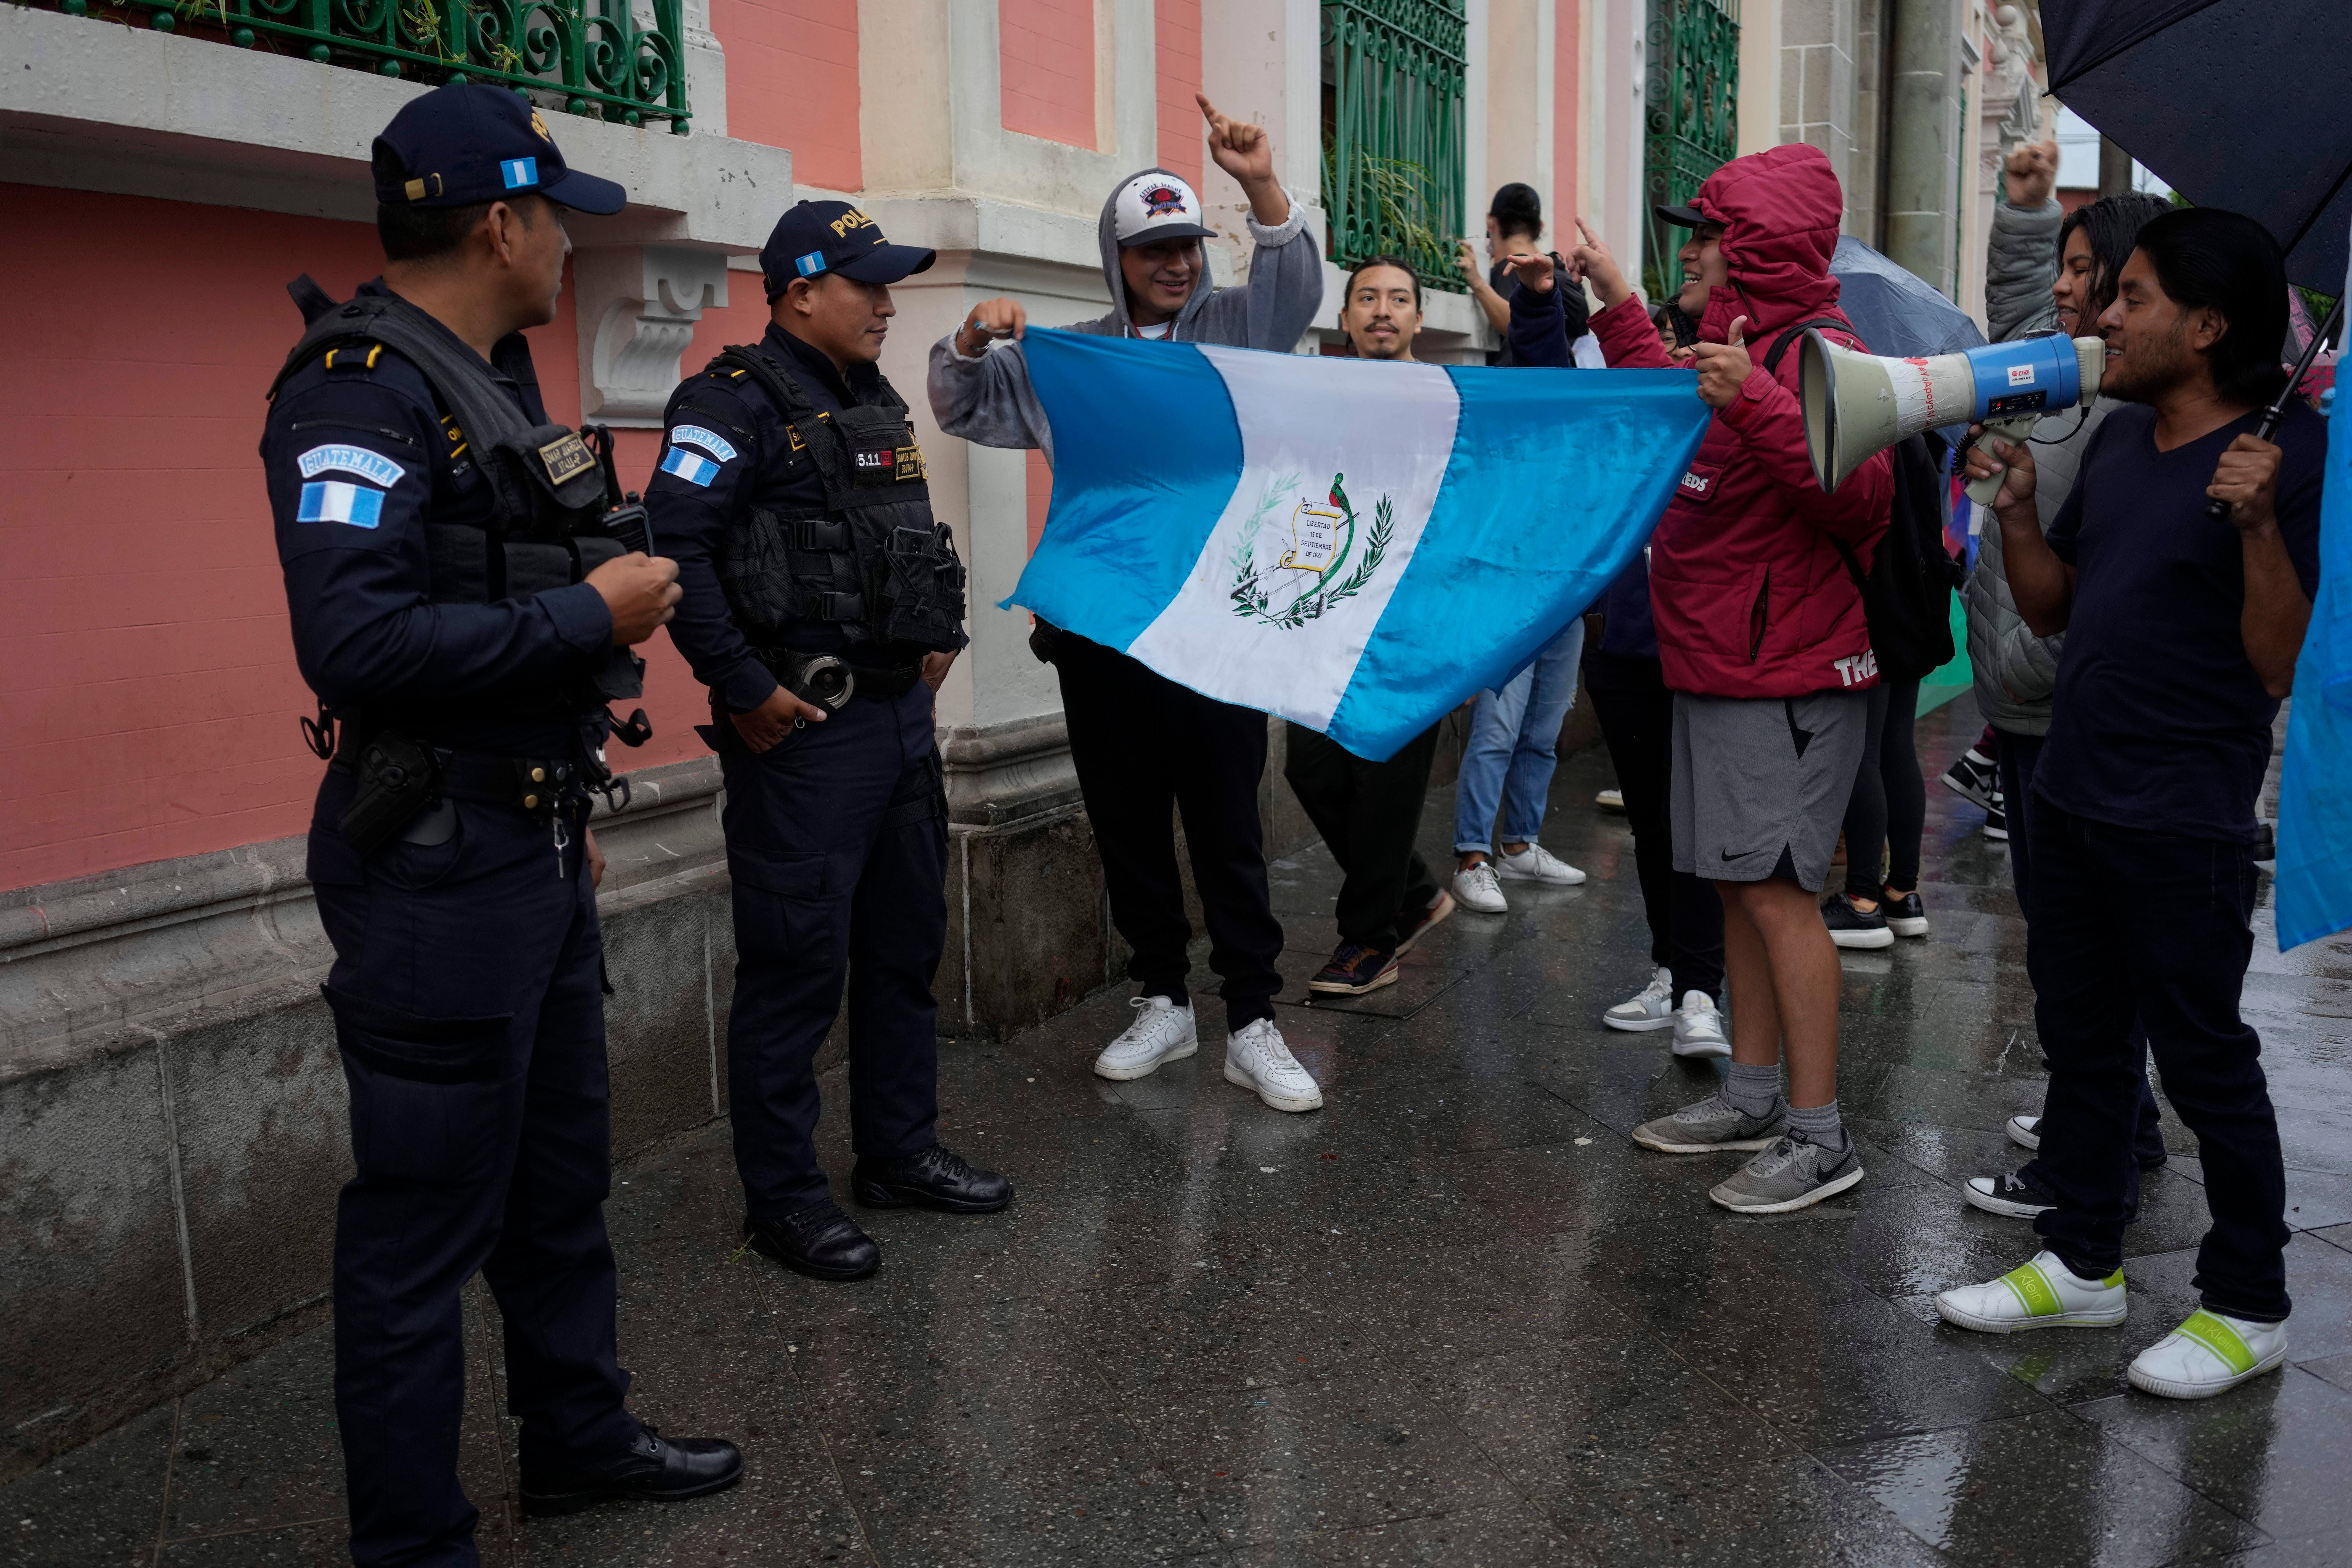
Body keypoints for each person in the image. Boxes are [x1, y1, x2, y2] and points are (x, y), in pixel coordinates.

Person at [262, 84, 740, 1564]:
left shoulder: (489, 377)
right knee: (417, 1238)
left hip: (525, 844)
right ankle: (415, 1544)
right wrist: (587, 613)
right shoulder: (357, 389)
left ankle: (578, 1439)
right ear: (497, 222)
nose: (565, 246)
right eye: (556, 219)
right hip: (432, 875)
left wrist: (559, 788)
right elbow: (354, 645)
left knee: (555, 1186)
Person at [1934, 208, 2320, 1400]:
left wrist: (2257, 523)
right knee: (2083, 1041)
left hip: (2182, 815)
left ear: (2205, 327)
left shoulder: (2288, 457)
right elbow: (2053, 611)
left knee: (2203, 1065)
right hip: (2073, 788)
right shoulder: (2114, 443)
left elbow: (2279, 663)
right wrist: (2009, 514)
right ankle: (2082, 1262)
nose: (2105, 315)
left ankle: (2248, 1303)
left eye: (2133, 297)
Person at [927, 96, 1325, 1111]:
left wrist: (1261, 185)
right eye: (1155, 250)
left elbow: (1293, 288)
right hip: (1102, 630)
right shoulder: (1072, 357)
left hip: (1217, 626)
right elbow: (963, 403)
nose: (1178, 265)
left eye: (1186, 246)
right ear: (1117, 257)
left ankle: (1252, 1019)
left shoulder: (1238, 329)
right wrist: (974, 334)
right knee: (1129, 823)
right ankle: (1162, 999)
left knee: (1227, 825)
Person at [1523, 144, 1894, 1212]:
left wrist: (1757, 407)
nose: (1693, 247)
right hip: (1725, 670)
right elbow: (1668, 400)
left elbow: (1862, 494)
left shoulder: (1821, 350)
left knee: (1780, 899)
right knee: (1741, 888)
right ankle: (1755, 1095)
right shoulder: (1749, 341)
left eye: (1709, 231)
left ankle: (1821, 1139)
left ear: (1758, 246)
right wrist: (1617, 302)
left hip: (1781, 681)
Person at [644, 200, 1006, 1284]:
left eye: (890, 286)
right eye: (868, 285)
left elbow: (900, 543)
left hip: (896, 724)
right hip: (802, 736)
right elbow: (675, 545)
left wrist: (935, 647)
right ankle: (784, 1202)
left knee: (902, 954)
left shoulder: (874, 397)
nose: (888, 305)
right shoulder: (727, 404)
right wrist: (742, 685)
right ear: (801, 290)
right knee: (794, 975)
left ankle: (897, 1154)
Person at [1959, 166, 2178, 1219]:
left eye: (2090, 275)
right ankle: (2115, 1120)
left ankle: (2080, 1163)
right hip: (2030, 704)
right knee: (2073, 953)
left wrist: (2033, 666)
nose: (2062, 291)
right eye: (2066, 268)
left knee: (2079, 963)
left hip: (2059, 707)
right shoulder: (2066, 381)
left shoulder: (2117, 412)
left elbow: (2086, 584)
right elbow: (2014, 302)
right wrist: (2027, 212)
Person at [1277, 256, 1460, 995]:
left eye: (1398, 300)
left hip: (1413, 625)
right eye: (1367, 299)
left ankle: (1369, 942)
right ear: (1345, 317)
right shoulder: (1319, 396)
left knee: (1384, 779)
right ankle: (1414, 893)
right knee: (1311, 769)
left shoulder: (1451, 400)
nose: (1382, 311)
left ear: (1419, 318)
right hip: (1328, 614)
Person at [1457, 181, 1592, 364]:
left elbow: (1518, 321)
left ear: (1491, 223)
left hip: (1524, 384)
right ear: (1540, 227)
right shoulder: (1561, 274)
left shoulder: (1517, 269)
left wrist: (1477, 283)